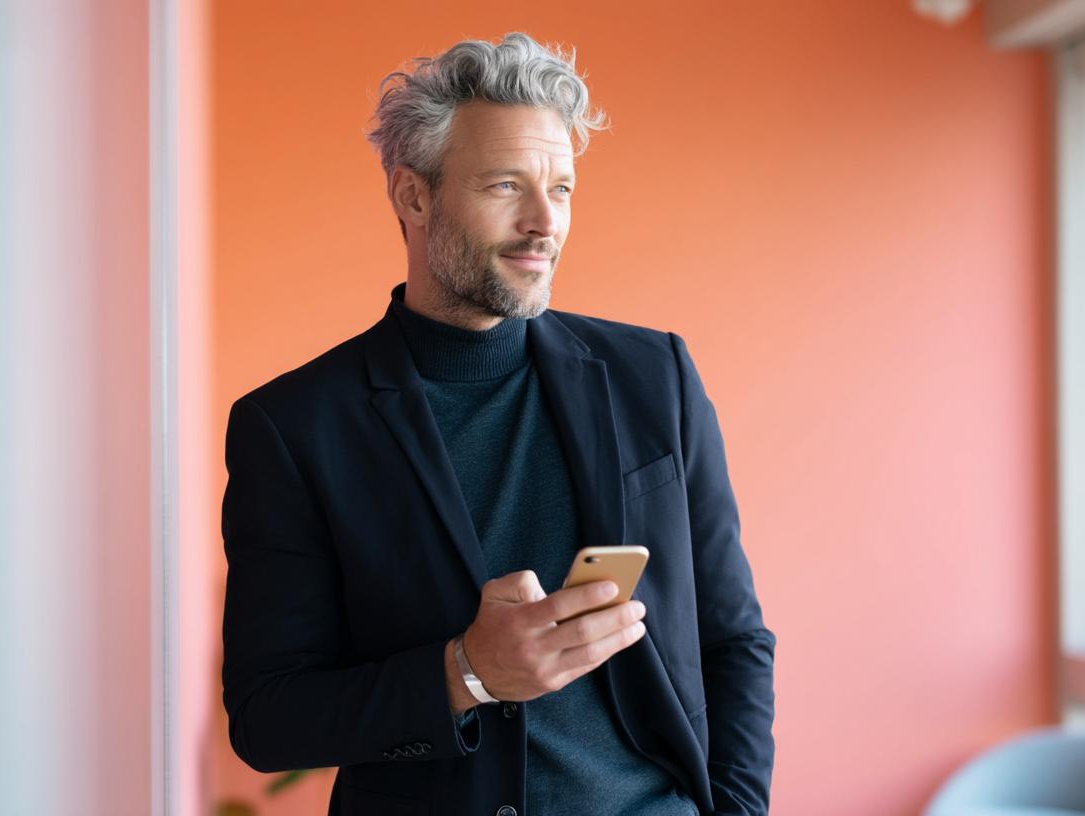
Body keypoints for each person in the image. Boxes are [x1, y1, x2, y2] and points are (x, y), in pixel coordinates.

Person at [221, 32, 775, 816]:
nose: (544, 222)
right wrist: (465, 674)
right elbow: (270, 718)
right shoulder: (292, 426)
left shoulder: (658, 377)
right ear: (413, 196)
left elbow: (732, 637)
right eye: (506, 185)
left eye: (564, 187)